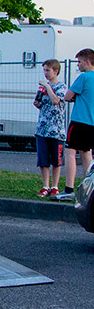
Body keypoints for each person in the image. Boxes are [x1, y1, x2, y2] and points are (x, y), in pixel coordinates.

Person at [62, 48, 94, 198]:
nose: (78, 65)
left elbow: (68, 96)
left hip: (79, 121)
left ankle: (69, 189)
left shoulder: (84, 77)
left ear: (88, 62)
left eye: (80, 62)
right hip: (92, 123)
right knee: (87, 153)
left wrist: (76, 97)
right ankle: (88, 188)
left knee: (70, 152)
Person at [33, 59, 67, 197]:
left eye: (48, 70)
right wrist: (37, 102)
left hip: (56, 130)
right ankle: (45, 185)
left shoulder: (61, 87)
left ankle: (55, 186)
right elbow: (40, 103)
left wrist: (47, 87)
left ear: (56, 71)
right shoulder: (43, 88)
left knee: (56, 160)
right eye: (44, 70)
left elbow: (55, 101)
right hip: (42, 128)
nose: (46, 73)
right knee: (43, 159)